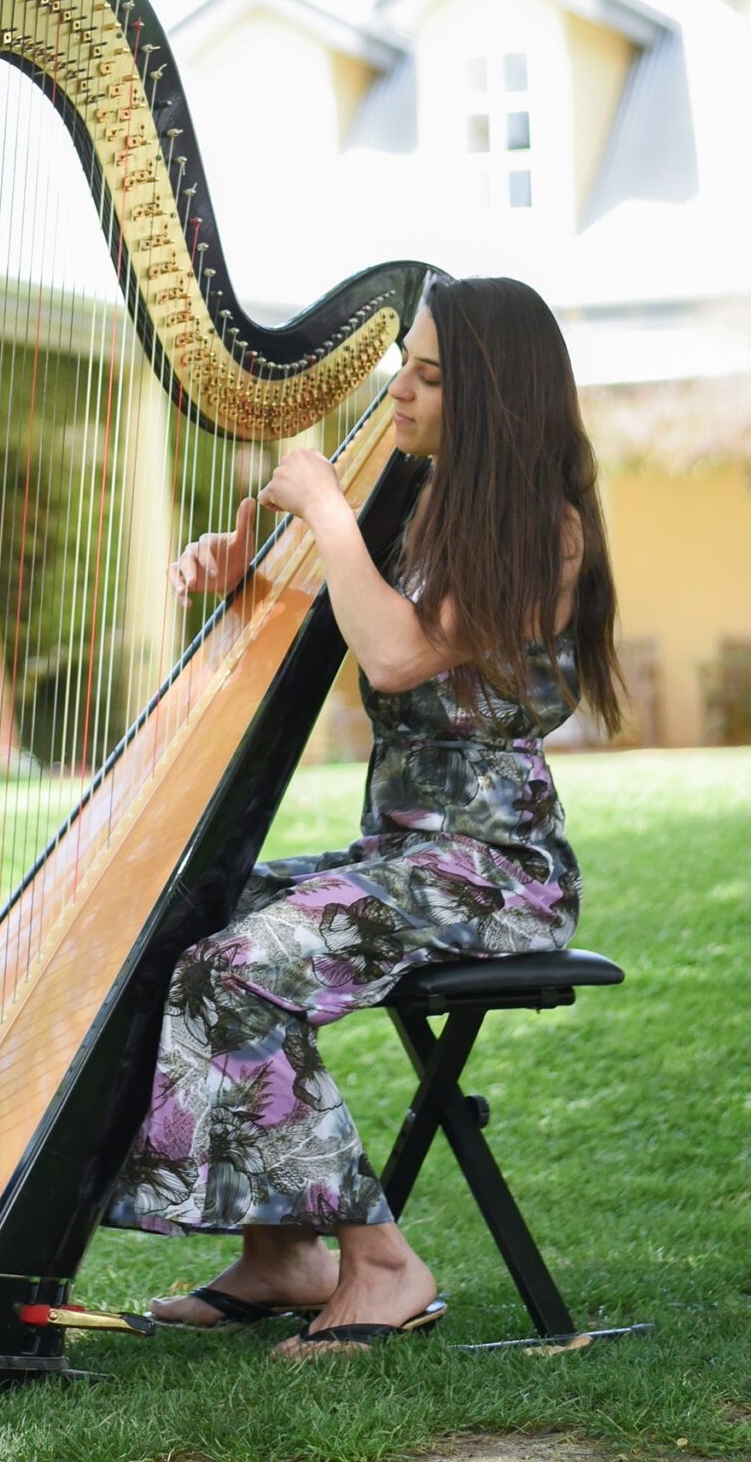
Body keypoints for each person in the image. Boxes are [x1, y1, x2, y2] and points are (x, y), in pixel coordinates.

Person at [103, 273, 623, 1357]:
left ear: (493, 398)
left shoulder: (546, 531)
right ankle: (282, 1253)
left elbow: (395, 652)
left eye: (430, 378)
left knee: (235, 968)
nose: (402, 393)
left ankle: (380, 1261)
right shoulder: (418, 501)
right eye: (404, 369)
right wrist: (242, 569)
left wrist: (329, 513)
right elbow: (347, 606)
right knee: (179, 917)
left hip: (493, 875)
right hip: (401, 859)